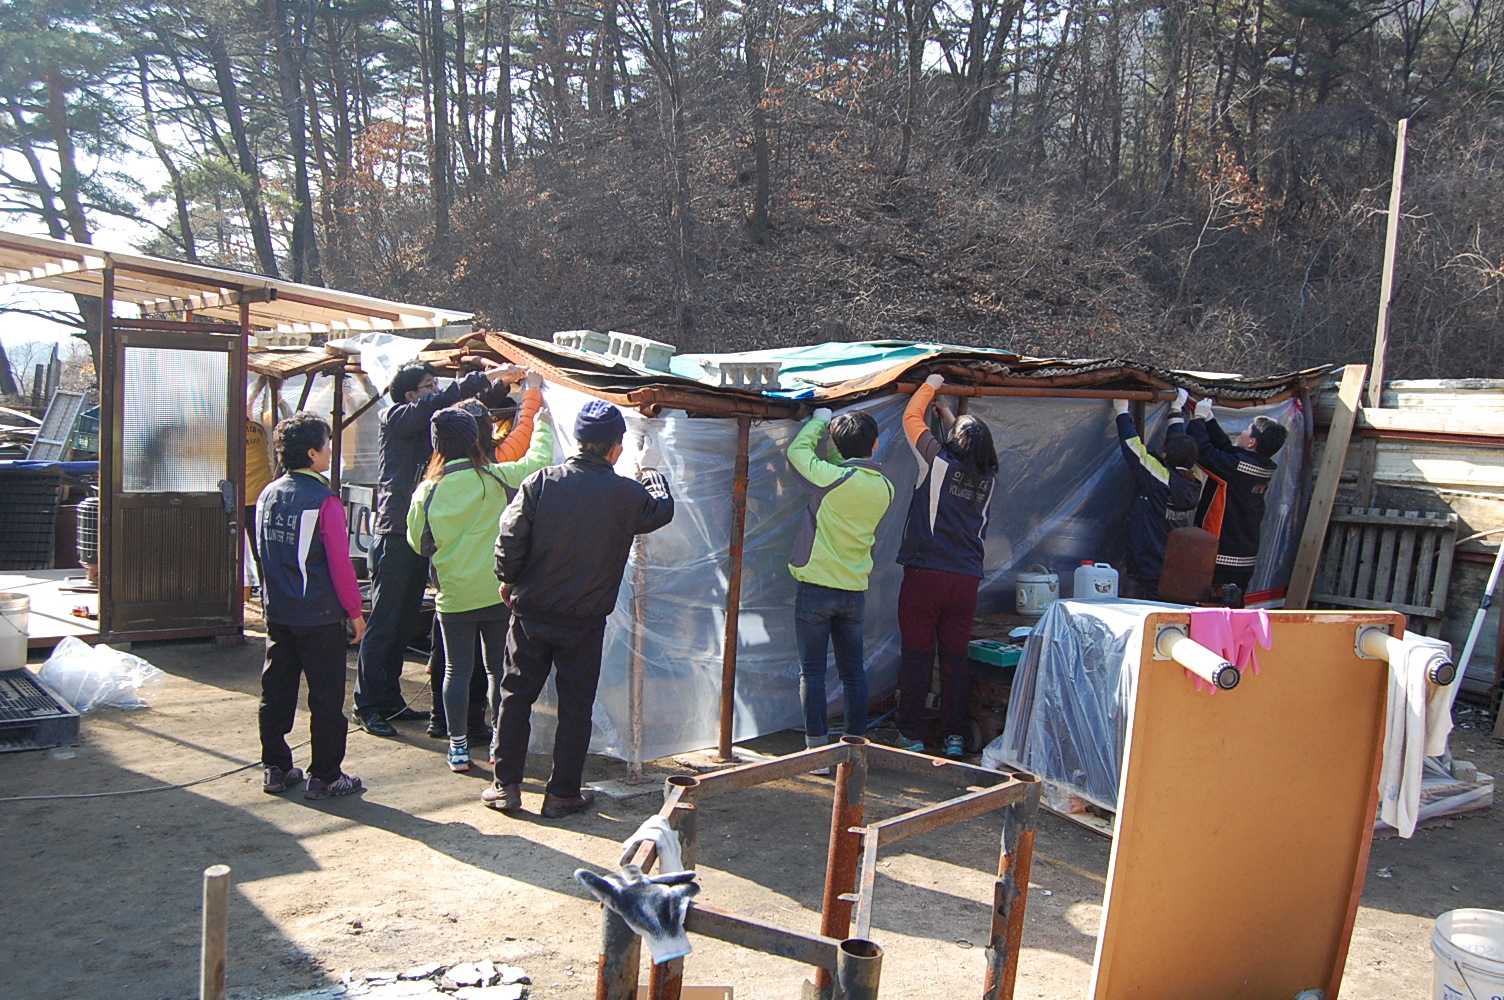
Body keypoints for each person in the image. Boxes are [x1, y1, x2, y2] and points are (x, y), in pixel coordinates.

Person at [486, 400, 674, 818]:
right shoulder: (626, 495)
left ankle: (506, 787)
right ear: (616, 447)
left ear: (578, 441)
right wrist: (652, 472)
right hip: (584, 622)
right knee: (575, 707)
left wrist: (509, 578)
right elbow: (662, 509)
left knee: (515, 697)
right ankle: (562, 794)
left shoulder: (540, 482)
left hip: (531, 614)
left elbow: (509, 538)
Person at [355, 359, 522, 737]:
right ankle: (367, 705)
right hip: (396, 535)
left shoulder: (427, 423)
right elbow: (443, 405)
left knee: (402, 624)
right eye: (429, 386)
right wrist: (487, 377)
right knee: (385, 623)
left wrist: (500, 390)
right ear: (410, 395)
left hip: (418, 536)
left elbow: (459, 415)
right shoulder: (395, 418)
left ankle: (388, 698)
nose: (436, 392)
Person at [408, 392, 554, 774]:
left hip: (452, 595)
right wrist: (542, 424)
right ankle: (496, 742)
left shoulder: (428, 491)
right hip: (495, 591)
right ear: (475, 438)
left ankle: (457, 748)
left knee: (456, 670)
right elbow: (538, 462)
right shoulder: (493, 477)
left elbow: (417, 542)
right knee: (496, 670)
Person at [255, 412, 366, 800]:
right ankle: (326, 775)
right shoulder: (324, 501)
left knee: (277, 690)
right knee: (326, 697)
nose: (330, 450)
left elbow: (263, 554)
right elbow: (340, 564)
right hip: (318, 615)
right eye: (327, 444)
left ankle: (275, 767)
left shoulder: (268, 495)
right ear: (312, 453)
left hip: (279, 611)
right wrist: (355, 612)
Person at [894, 375, 998, 758]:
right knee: (955, 658)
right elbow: (972, 448)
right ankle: (955, 735)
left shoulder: (937, 464)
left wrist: (931, 384)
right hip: (966, 580)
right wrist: (953, 419)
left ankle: (911, 733)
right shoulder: (988, 479)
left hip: (926, 574)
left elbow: (911, 418)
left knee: (917, 654)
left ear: (954, 442)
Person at [786, 405, 894, 771]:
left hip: (816, 589)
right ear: (876, 445)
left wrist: (819, 420)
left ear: (835, 446)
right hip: (853, 592)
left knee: (813, 673)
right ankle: (855, 751)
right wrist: (837, 445)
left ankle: (817, 754)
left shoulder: (829, 478)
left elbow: (797, 452)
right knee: (854, 674)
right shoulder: (885, 488)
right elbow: (848, 470)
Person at [1185, 398, 1289, 594]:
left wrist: (1197, 418)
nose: (1242, 432)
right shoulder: (1261, 466)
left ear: (1251, 442)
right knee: (1232, 604)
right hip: (1243, 558)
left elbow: (1203, 453)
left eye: (1246, 430)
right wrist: (1210, 421)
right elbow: (1227, 451)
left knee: (1209, 604)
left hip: (1220, 557)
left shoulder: (1238, 469)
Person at [1111, 392, 1201, 599]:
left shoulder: (1160, 478)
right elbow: (1179, 447)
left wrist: (1122, 412)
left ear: (1166, 455)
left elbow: (1135, 450)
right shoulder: (1191, 482)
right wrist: (1176, 410)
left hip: (1147, 563)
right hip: (1171, 564)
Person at [245, 415, 275, 588]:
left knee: (228, 552)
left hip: (238, 497)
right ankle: (266, 595)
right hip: (260, 495)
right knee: (261, 551)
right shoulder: (259, 429)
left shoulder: (226, 433)